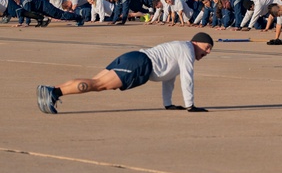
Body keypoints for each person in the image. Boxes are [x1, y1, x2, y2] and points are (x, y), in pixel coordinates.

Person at [36, 32, 214, 114]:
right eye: (207, 48)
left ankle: (50, 90)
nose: (207, 53)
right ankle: (54, 92)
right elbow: (187, 78)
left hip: (134, 58)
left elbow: (169, 79)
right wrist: (190, 105)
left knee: (94, 82)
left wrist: (168, 104)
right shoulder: (187, 50)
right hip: (140, 64)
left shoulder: (181, 49)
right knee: (98, 85)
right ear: (196, 42)